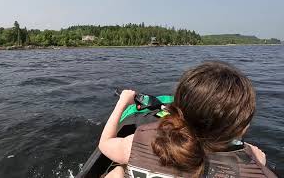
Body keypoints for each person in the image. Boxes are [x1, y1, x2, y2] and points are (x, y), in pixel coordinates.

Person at [98, 61, 278, 178]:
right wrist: (258, 161)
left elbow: (105, 144)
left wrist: (122, 102)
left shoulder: (140, 141)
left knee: (117, 171)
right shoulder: (254, 171)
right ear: (241, 127)